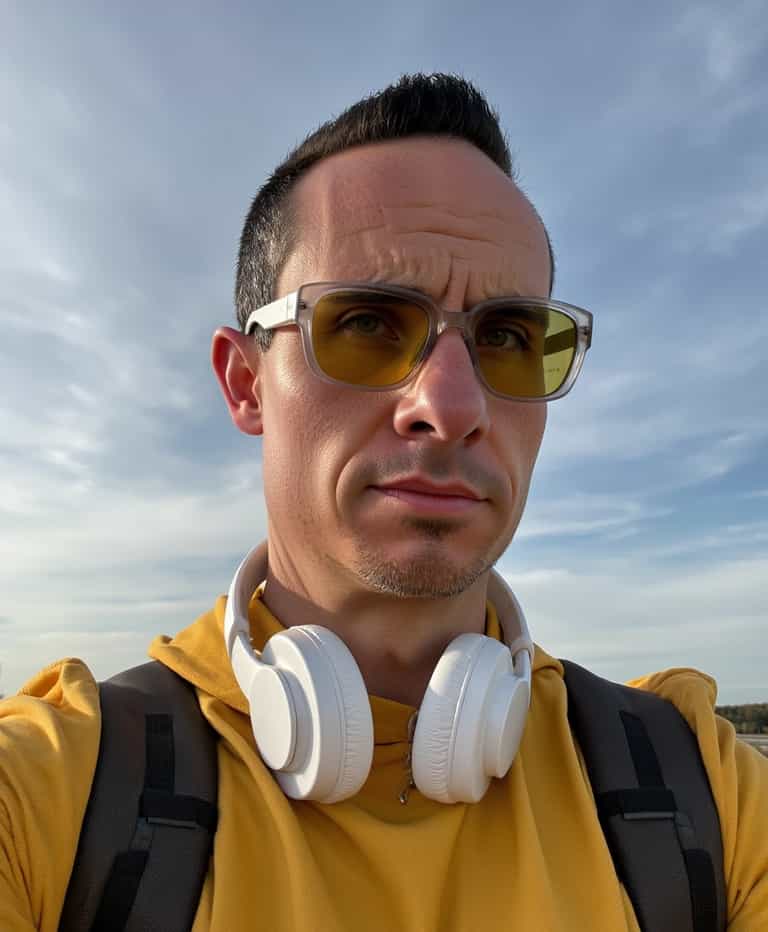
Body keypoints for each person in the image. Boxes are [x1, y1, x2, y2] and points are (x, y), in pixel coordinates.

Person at [1, 73, 766, 931]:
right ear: (247, 383)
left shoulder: (704, 791)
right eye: (367, 323)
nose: (453, 406)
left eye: (510, 337)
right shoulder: (51, 794)